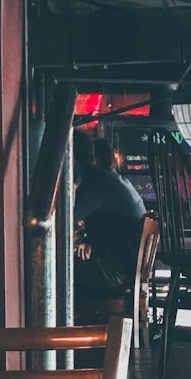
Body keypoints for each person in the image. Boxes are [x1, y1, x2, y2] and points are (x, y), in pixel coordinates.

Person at [72, 131, 147, 315]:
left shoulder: (97, 183)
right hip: (125, 270)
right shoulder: (110, 180)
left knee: (60, 264)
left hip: (115, 273)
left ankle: (61, 331)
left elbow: (64, 221)